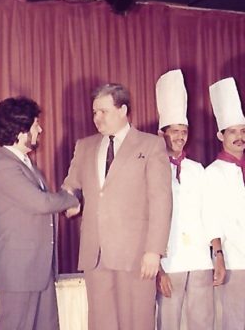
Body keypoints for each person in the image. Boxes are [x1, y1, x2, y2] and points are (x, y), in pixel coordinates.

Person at [63, 83, 172, 330]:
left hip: (136, 255)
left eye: (104, 111)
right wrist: (70, 201)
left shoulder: (151, 145)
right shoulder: (85, 146)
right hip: (96, 255)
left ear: (123, 110)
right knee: (101, 323)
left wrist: (154, 251)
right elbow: (71, 186)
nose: (97, 118)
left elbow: (161, 201)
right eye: (94, 112)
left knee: (137, 321)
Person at [0, 96, 79, 330]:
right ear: (21, 130)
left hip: (38, 269)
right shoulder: (4, 166)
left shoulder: (25, 163)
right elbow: (41, 203)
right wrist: (70, 199)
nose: (40, 130)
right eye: (36, 125)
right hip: (19, 271)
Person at [155, 70, 225, 330]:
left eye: (184, 131)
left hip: (199, 260)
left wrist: (218, 255)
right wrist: (158, 270)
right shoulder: (152, 169)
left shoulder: (197, 170)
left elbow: (209, 214)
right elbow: (146, 220)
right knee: (168, 323)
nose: (180, 137)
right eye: (174, 131)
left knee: (203, 323)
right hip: (169, 262)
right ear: (161, 133)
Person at [204, 77, 245, 329]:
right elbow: (211, 219)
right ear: (221, 135)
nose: (240, 137)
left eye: (243, 131)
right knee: (236, 321)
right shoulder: (213, 173)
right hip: (235, 261)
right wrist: (219, 256)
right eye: (233, 132)